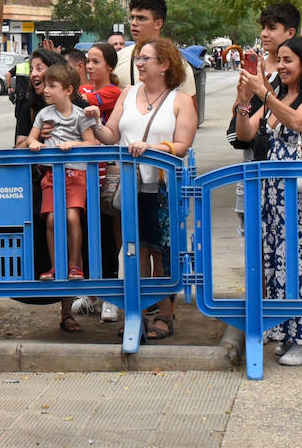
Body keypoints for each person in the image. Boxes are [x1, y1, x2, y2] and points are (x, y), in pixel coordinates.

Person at [233, 36, 302, 365]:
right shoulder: (279, 96)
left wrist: (264, 93)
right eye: (278, 60)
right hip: (276, 197)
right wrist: (243, 101)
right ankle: (289, 331)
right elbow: (245, 134)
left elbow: (298, 121)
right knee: (280, 263)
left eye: (288, 60)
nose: (280, 66)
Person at [88, 37, 197, 341]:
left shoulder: (180, 100)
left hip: (162, 187)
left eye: (146, 58)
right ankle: (139, 312)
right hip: (130, 186)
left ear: (164, 65)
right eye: (138, 58)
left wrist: (152, 147)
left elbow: (183, 144)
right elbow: (111, 135)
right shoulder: (127, 93)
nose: (139, 63)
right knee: (135, 250)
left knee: (161, 252)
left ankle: (164, 313)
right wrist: (96, 122)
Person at [26, 64, 100, 293]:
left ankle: (75, 265)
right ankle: (55, 266)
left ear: (68, 90)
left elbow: (92, 142)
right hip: (51, 176)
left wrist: (73, 144)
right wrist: (34, 144)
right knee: (50, 220)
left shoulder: (80, 114)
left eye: (52, 86)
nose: (46, 90)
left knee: (71, 216)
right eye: (45, 86)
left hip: (75, 175)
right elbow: (30, 138)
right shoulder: (43, 114)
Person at [78, 41, 124, 322]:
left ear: (109, 66)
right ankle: (91, 291)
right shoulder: (83, 90)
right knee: (84, 231)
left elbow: (78, 106)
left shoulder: (112, 93)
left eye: (96, 62)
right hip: (81, 172)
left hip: (106, 173)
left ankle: (111, 294)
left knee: (108, 234)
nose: (90, 66)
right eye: (87, 61)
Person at [226, 2, 300, 158]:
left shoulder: (295, 71)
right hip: (252, 160)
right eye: (263, 28)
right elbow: (236, 111)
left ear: (290, 32)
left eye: (272, 28)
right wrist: (244, 97)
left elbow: (283, 105)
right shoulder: (259, 65)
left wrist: (262, 87)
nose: (264, 34)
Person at [114, 0, 196, 96]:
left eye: (141, 18)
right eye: (132, 18)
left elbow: (190, 107)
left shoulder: (176, 62)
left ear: (158, 24)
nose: (134, 23)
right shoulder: (118, 58)